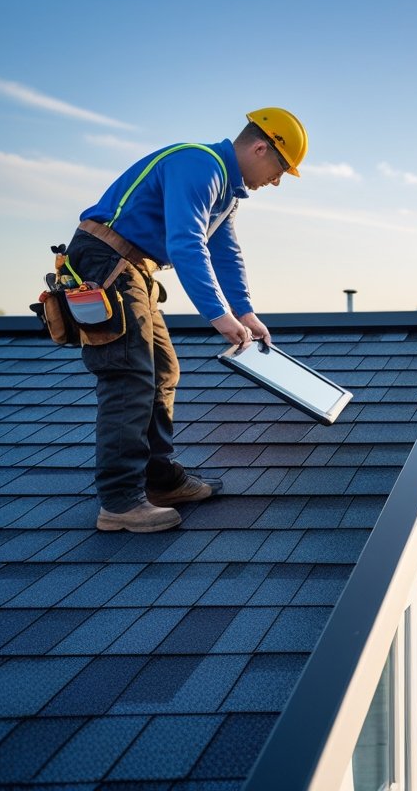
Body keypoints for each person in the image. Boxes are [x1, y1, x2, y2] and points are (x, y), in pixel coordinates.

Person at [67, 107, 307, 533]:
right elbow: (186, 243)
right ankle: (121, 502)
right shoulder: (200, 165)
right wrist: (219, 315)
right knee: (129, 376)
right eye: (279, 171)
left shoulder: (226, 190)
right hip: (106, 262)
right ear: (260, 147)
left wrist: (244, 311)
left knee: (161, 371)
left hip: (130, 270)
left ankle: (158, 481)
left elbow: (224, 252)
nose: (274, 182)